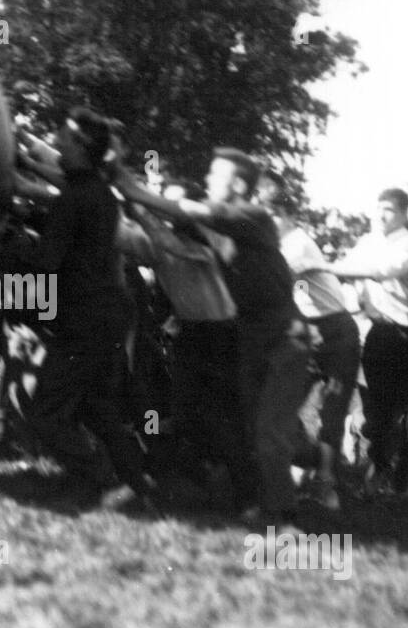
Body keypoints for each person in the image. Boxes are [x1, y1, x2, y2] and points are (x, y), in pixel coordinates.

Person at [116, 148, 309, 523]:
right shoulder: (223, 230)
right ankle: (275, 487)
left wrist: (132, 191)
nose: (207, 181)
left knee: (264, 431)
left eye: (214, 175)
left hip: (282, 335)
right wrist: (132, 194)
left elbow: (182, 216)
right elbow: (171, 228)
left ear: (238, 184)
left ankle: (284, 515)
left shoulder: (252, 217)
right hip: (251, 335)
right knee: (251, 427)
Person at [24, 108, 159, 512]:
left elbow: (47, 268)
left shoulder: (75, 198)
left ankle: (98, 477)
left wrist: (29, 310)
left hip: (85, 319)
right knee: (94, 406)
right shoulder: (97, 191)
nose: (57, 140)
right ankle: (137, 483)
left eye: (62, 136)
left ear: (81, 145)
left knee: (46, 411)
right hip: (108, 315)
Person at [327, 188, 408, 521]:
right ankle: (380, 465)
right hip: (381, 337)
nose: (381, 216)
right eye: (378, 209)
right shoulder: (368, 241)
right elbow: (348, 275)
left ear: (404, 213)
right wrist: (363, 305)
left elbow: (384, 271)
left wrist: (335, 267)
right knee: (378, 418)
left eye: (389, 210)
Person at [257, 170, 360, 512]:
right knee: (282, 406)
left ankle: (326, 484)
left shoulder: (296, 244)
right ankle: (306, 461)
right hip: (305, 330)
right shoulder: (274, 244)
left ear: (283, 214)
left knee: (330, 412)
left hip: (335, 332)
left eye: (268, 212)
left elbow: (276, 284)